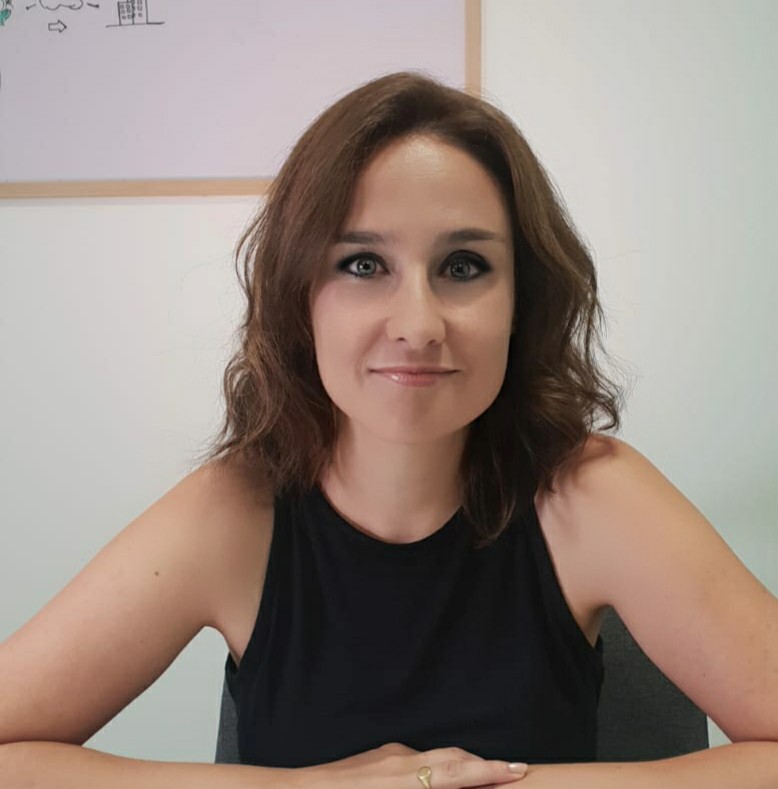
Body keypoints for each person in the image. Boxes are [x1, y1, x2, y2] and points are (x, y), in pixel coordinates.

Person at [0, 70, 776, 788]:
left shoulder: (593, 492)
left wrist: (496, 784)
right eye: (364, 265)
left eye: (464, 266)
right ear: (300, 297)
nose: (418, 324)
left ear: (522, 302)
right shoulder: (233, 512)